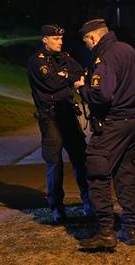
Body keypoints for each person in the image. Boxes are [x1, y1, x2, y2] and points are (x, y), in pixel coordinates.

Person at [74, 19, 135, 248]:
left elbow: (101, 95)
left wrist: (82, 88)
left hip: (112, 124)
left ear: (93, 37)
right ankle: (129, 229)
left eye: (86, 42)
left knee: (96, 173)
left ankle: (105, 232)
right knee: (125, 174)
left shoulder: (105, 56)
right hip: (131, 122)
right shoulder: (127, 49)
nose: (87, 47)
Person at [26, 24, 92, 224]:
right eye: (55, 39)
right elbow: (51, 84)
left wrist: (66, 76)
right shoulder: (37, 61)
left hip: (67, 114)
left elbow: (80, 71)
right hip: (50, 117)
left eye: (61, 39)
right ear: (45, 39)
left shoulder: (63, 56)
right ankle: (57, 208)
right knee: (54, 163)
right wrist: (68, 77)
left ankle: (88, 202)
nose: (60, 42)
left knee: (80, 158)